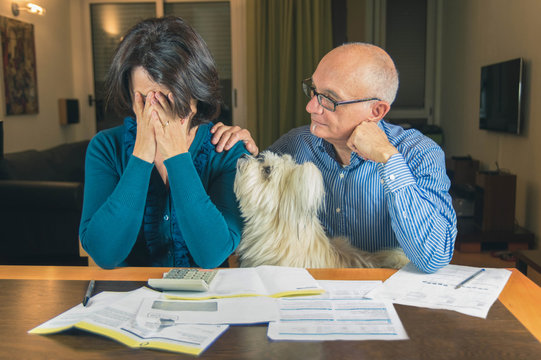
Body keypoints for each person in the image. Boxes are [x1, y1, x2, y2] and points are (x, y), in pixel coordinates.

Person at [211, 43, 457, 273]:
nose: (311, 107)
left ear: (377, 111)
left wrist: (389, 160)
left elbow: (433, 258)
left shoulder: (419, 154)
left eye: (329, 99)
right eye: (313, 90)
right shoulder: (296, 145)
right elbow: (242, 197)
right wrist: (236, 150)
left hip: (387, 297)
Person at [79, 17, 249, 269]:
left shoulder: (226, 149)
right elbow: (105, 254)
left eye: (171, 99)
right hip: (129, 299)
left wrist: (177, 157)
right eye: (147, 99)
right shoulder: (105, 148)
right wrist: (140, 157)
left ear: (197, 92)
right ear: (130, 95)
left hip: (205, 300)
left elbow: (212, 254)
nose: (159, 112)